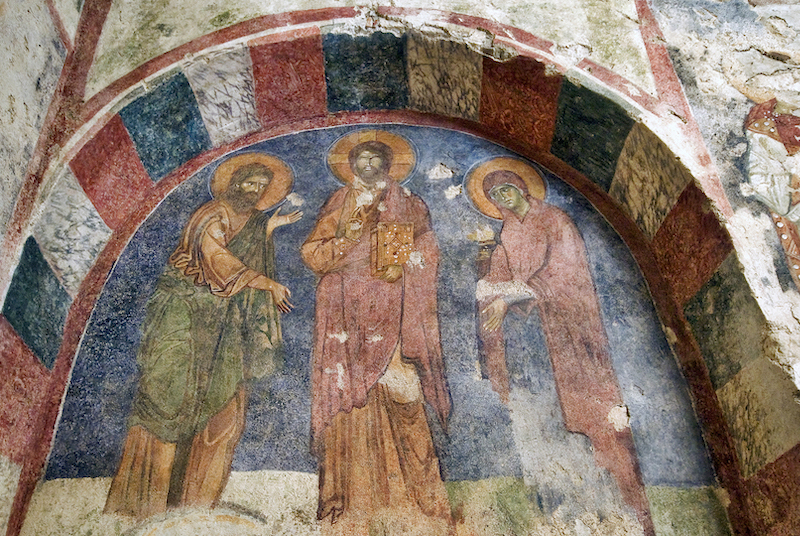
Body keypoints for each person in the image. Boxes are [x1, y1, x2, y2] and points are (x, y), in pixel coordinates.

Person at [104, 154, 301, 519]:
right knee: (168, 398)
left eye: (262, 187)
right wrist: (267, 283)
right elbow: (217, 259)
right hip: (181, 311)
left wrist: (268, 228)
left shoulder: (252, 221)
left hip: (220, 323)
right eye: (250, 183)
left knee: (222, 404)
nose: (255, 191)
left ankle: (193, 506)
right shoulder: (210, 214)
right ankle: (141, 505)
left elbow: (242, 249)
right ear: (233, 183)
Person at [474, 168, 655, 534]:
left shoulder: (555, 219)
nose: (503, 198)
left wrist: (508, 297)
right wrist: (489, 283)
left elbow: (565, 270)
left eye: (507, 189)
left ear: (522, 187)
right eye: (495, 195)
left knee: (584, 418)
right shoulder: (507, 233)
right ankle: (557, 514)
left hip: (567, 335)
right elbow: (500, 278)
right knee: (540, 418)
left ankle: (615, 515)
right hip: (532, 338)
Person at [301, 136, 452, 535]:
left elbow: (426, 249)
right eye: (361, 158)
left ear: (388, 163)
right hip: (343, 308)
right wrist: (346, 241)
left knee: (401, 389)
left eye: (375, 158)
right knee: (347, 398)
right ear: (351, 164)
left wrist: (404, 261)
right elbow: (313, 253)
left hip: (392, 304)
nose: (367, 164)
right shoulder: (339, 201)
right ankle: (351, 504)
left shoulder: (409, 203)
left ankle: (417, 503)